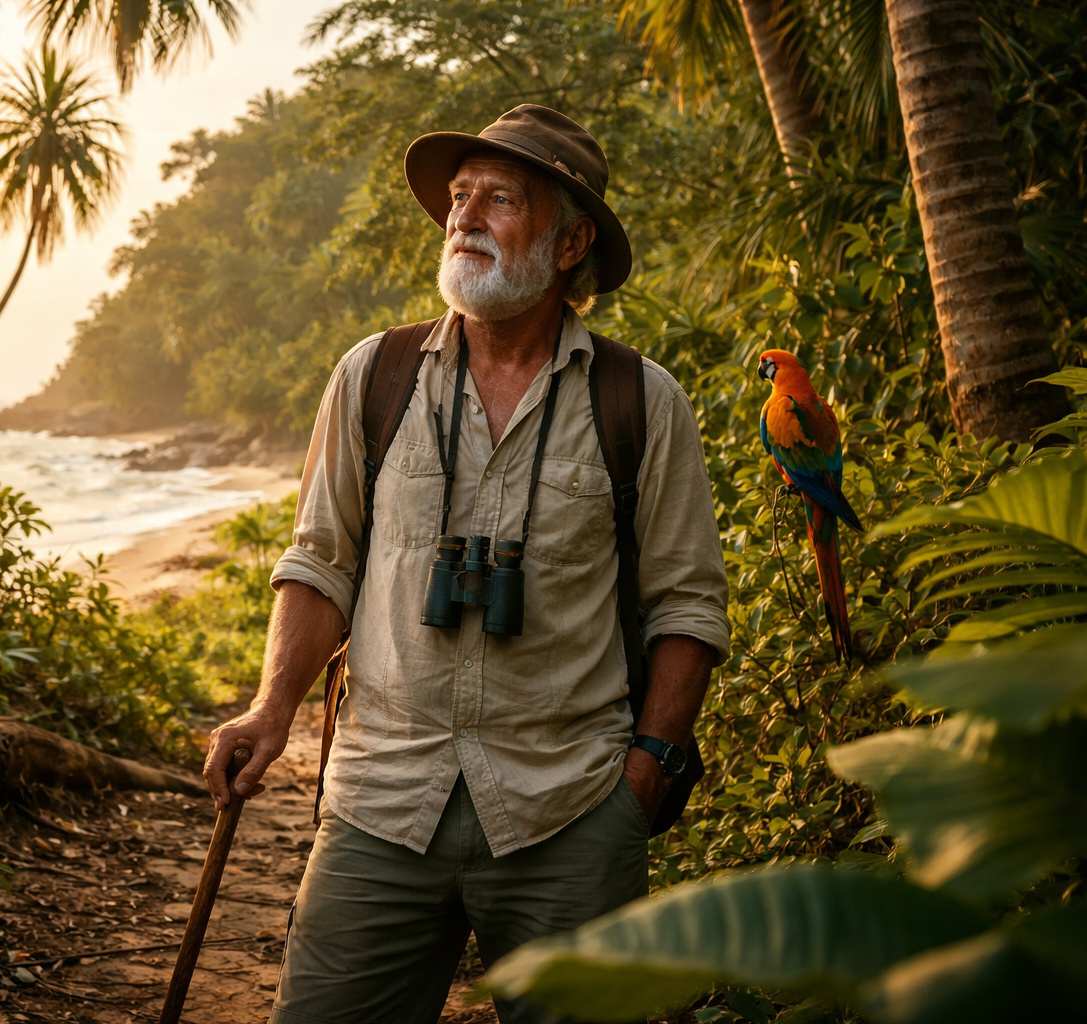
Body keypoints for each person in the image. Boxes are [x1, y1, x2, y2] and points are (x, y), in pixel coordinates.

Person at [202, 104, 730, 1023]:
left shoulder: (640, 400)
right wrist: (271, 708)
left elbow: (687, 606)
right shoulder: (373, 376)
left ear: (570, 247)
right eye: (458, 198)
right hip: (381, 800)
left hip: (569, 806)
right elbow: (320, 563)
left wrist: (642, 776)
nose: (463, 217)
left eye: (498, 199)